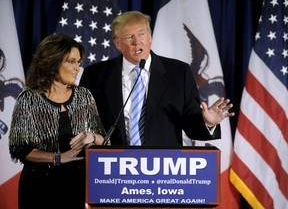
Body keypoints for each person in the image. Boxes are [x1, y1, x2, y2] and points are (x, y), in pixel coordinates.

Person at [80, 11, 234, 146]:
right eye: (129, 37)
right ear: (118, 44)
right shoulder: (95, 75)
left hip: (162, 167)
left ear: (150, 37)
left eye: (141, 34)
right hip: (111, 166)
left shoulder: (179, 73)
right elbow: (84, 121)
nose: (137, 41)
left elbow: (191, 125)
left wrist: (207, 122)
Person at [9, 33, 106, 209]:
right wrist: (58, 158)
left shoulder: (84, 96)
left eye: (78, 62)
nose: (77, 68)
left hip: (77, 184)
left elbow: (102, 139)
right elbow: (19, 148)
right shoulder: (29, 99)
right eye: (71, 61)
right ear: (52, 63)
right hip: (39, 187)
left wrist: (91, 137)